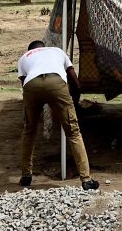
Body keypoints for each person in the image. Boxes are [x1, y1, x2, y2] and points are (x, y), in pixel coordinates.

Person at [17, 40, 99, 190]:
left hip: (31, 85)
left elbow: (24, 84)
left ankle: (26, 176)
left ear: (31, 50)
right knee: (73, 132)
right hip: (56, 82)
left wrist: (37, 102)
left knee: (29, 131)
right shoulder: (57, 51)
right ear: (43, 47)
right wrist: (73, 98)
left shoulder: (24, 57)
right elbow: (73, 76)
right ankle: (86, 180)